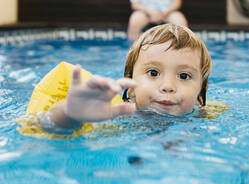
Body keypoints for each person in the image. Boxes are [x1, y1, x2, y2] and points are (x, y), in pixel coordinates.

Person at [19, 24, 212, 135]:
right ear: (132, 88)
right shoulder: (118, 116)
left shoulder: (208, 117)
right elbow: (43, 126)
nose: (168, 86)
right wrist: (70, 114)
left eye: (184, 76)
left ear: (199, 96)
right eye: (153, 73)